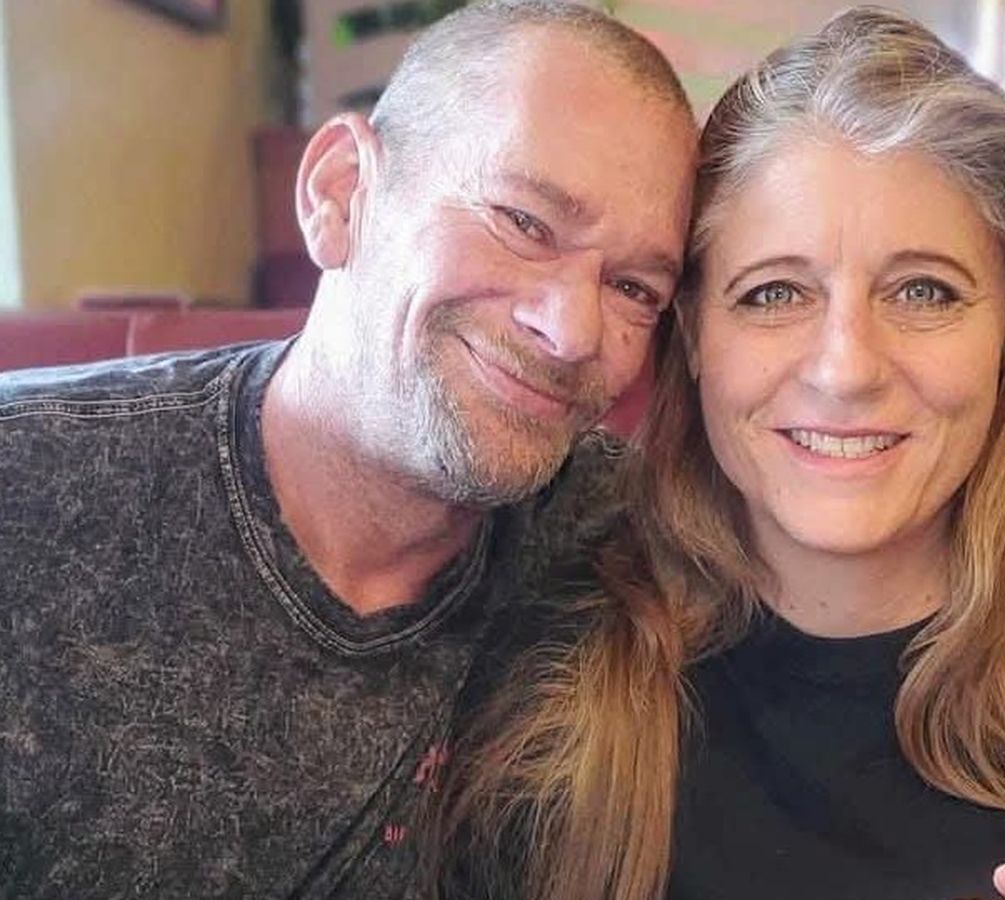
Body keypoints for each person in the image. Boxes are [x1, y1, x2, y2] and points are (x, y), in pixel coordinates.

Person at [437, 8, 1005, 900]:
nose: (846, 370)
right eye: (773, 294)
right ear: (693, 332)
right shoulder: (549, 670)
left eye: (924, 291)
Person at [0, 2, 695, 897]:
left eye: (634, 287)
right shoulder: (29, 495)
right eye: (523, 222)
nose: (570, 331)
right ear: (338, 193)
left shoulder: (626, 542)